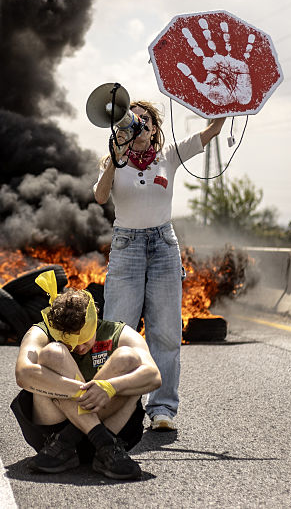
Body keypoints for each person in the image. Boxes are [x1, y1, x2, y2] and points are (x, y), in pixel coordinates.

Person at [93, 100, 225, 430]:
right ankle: (117, 403)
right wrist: (115, 156)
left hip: (164, 246)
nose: (139, 126)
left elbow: (213, 129)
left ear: (155, 129)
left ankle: (163, 408)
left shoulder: (170, 155)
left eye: (146, 121)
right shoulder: (116, 159)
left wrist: (225, 103)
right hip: (126, 247)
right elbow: (99, 195)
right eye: (132, 121)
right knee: (116, 330)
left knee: (164, 332)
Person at [11, 270, 161, 480]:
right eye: (70, 342)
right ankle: (100, 444)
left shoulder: (119, 332)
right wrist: (81, 391)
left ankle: (75, 441)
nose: (78, 347)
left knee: (128, 358)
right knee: (54, 353)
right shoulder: (40, 331)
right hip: (52, 436)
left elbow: (154, 376)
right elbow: (23, 374)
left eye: (84, 340)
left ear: (95, 319)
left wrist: (110, 387)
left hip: (109, 430)